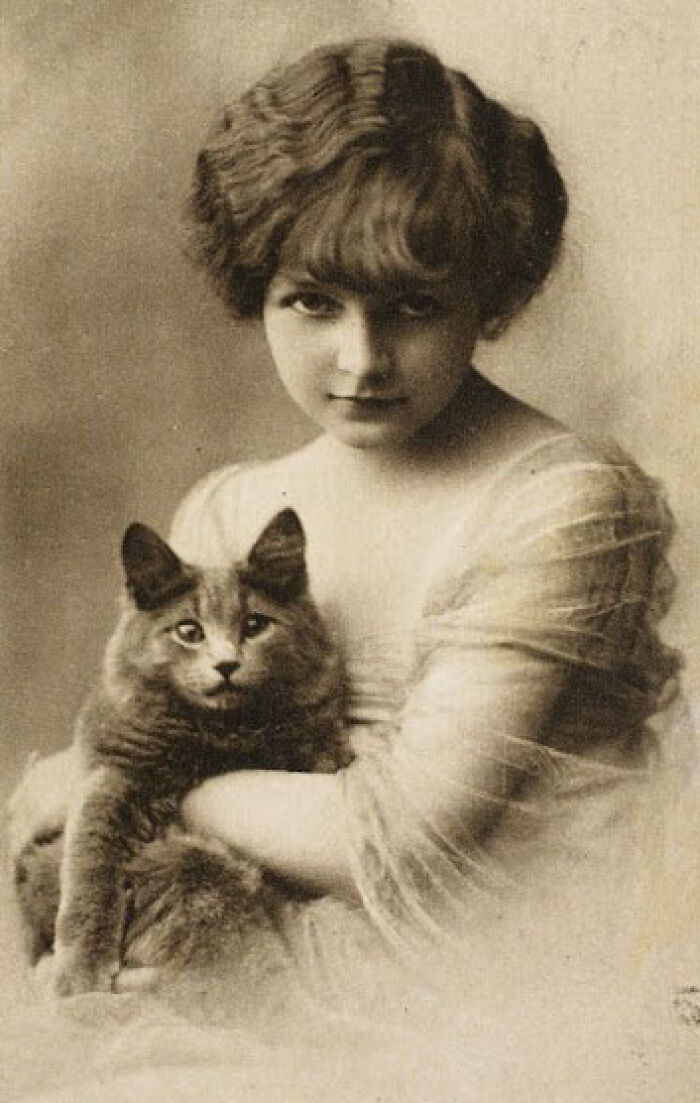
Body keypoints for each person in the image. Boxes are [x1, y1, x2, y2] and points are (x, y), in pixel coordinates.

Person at [6, 37, 695, 1094]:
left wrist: (124, 785)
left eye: (413, 304)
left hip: (497, 1021)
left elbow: (400, 838)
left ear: (488, 291)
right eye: (312, 302)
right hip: (246, 984)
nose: (362, 359)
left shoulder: (564, 501)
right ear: (257, 288)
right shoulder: (232, 512)